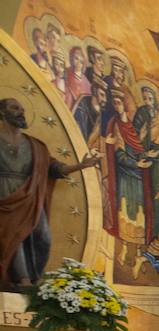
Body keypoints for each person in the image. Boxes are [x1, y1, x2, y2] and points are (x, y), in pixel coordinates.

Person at [0, 98, 100, 285]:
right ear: (2, 113)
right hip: (4, 195)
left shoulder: (35, 146)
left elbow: (54, 167)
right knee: (15, 236)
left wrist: (80, 166)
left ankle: (35, 275)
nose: (20, 111)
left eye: (22, 108)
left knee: (43, 237)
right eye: (14, 108)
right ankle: (23, 280)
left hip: (30, 196)